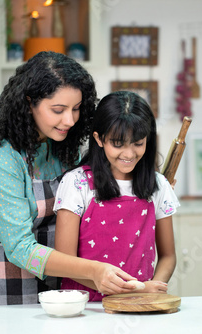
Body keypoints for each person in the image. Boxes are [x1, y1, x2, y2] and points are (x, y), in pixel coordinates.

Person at [0, 52, 136, 333]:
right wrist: (93, 270)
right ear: (29, 102)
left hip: (49, 275)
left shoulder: (59, 143)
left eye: (77, 108)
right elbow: (19, 247)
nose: (69, 120)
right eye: (58, 110)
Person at [54, 91, 179, 301]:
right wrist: (136, 288)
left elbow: (168, 256)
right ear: (99, 139)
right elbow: (64, 262)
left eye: (138, 143)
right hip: (84, 307)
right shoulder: (77, 183)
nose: (129, 154)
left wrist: (152, 289)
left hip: (139, 306)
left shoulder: (159, 186)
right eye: (118, 144)